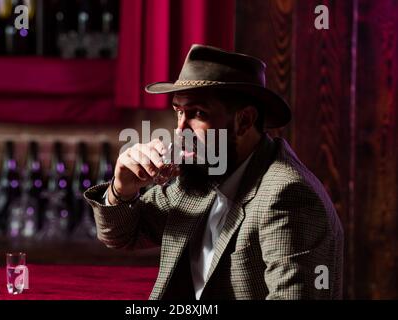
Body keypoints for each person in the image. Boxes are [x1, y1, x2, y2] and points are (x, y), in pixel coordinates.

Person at [84, 44, 344, 300]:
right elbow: (121, 236)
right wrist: (122, 188)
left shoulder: (287, 195)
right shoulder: (205, 173)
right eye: (178, 112)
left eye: (198, 113)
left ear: (244, 121)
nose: (180, 131)